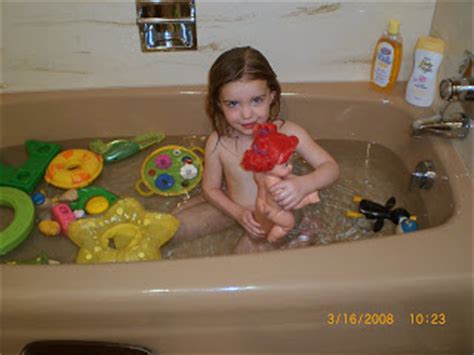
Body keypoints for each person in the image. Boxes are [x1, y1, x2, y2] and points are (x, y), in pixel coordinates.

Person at [171, 46, 340, 254]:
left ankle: (303, 232)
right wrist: (238, 213)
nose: (246, 114)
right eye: (233, 104)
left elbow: (331, 168)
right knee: (172, 227)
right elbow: (211, 189)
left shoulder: (289, 133)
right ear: (218, 103)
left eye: (257, 100)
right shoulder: (218, 141)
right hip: (234, 208)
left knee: (241, 262)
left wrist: (304, 185)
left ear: (271, 95)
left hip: (275, 214)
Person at [240, 122, 321, 244]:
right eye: (286, 165)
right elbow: (289, 204)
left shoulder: (261, 173)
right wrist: (308, 199)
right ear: (269, 165)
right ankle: (273, 238)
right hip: (275, 212)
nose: (290, 167)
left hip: (261, 204)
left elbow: (283, 179)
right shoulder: (277, 186)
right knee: (288, 222)